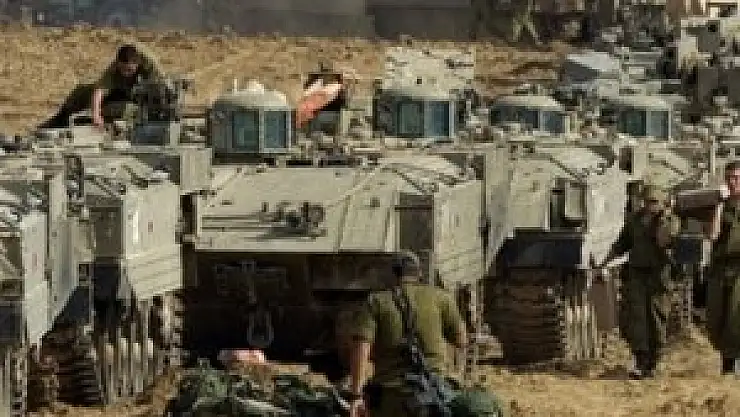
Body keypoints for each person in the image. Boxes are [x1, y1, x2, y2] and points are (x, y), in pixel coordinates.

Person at [346, 251, 467, 417]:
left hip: (391, 398)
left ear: (393, 274)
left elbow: (361, 348)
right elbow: (461, 340)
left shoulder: (376, 301)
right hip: (432, 395)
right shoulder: (441, 298)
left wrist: (356, 395)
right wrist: (455, 375)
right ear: (419, 274)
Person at [601, 184, 681, 379]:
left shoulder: (670, 221)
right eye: (646, 201)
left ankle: (654, 361)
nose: (649, 206)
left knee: (656, 318)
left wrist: (663, 218)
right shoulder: (634, 220)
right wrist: (605, 260)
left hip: (658, 277)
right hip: (636, 275)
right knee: (636, 319)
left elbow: (664, 241)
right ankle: (640, 361)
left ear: (662, 202)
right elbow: (623, 243)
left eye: (654, 202)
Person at [39, 43, 165, 129]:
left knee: (127, 110)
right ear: (118, 63)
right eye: (122, 69)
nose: (125, 73)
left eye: (129, 70)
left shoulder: (151, 66)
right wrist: (96, 115)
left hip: (142, 101)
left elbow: (161, 90)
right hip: (120, 92)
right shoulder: (114, 68)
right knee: (82, 91)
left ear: (137, 64)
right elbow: (99, 90)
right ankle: (60, 120)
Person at [705, 161, 740, 375]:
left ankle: (734, 367)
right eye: (729, 178)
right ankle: (727, 365)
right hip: (721, 270)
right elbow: (712, 235)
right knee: (719, 317)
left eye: (736, 178)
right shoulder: (720, 206)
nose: (732, 182)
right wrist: (718, 205)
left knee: (737, 317)